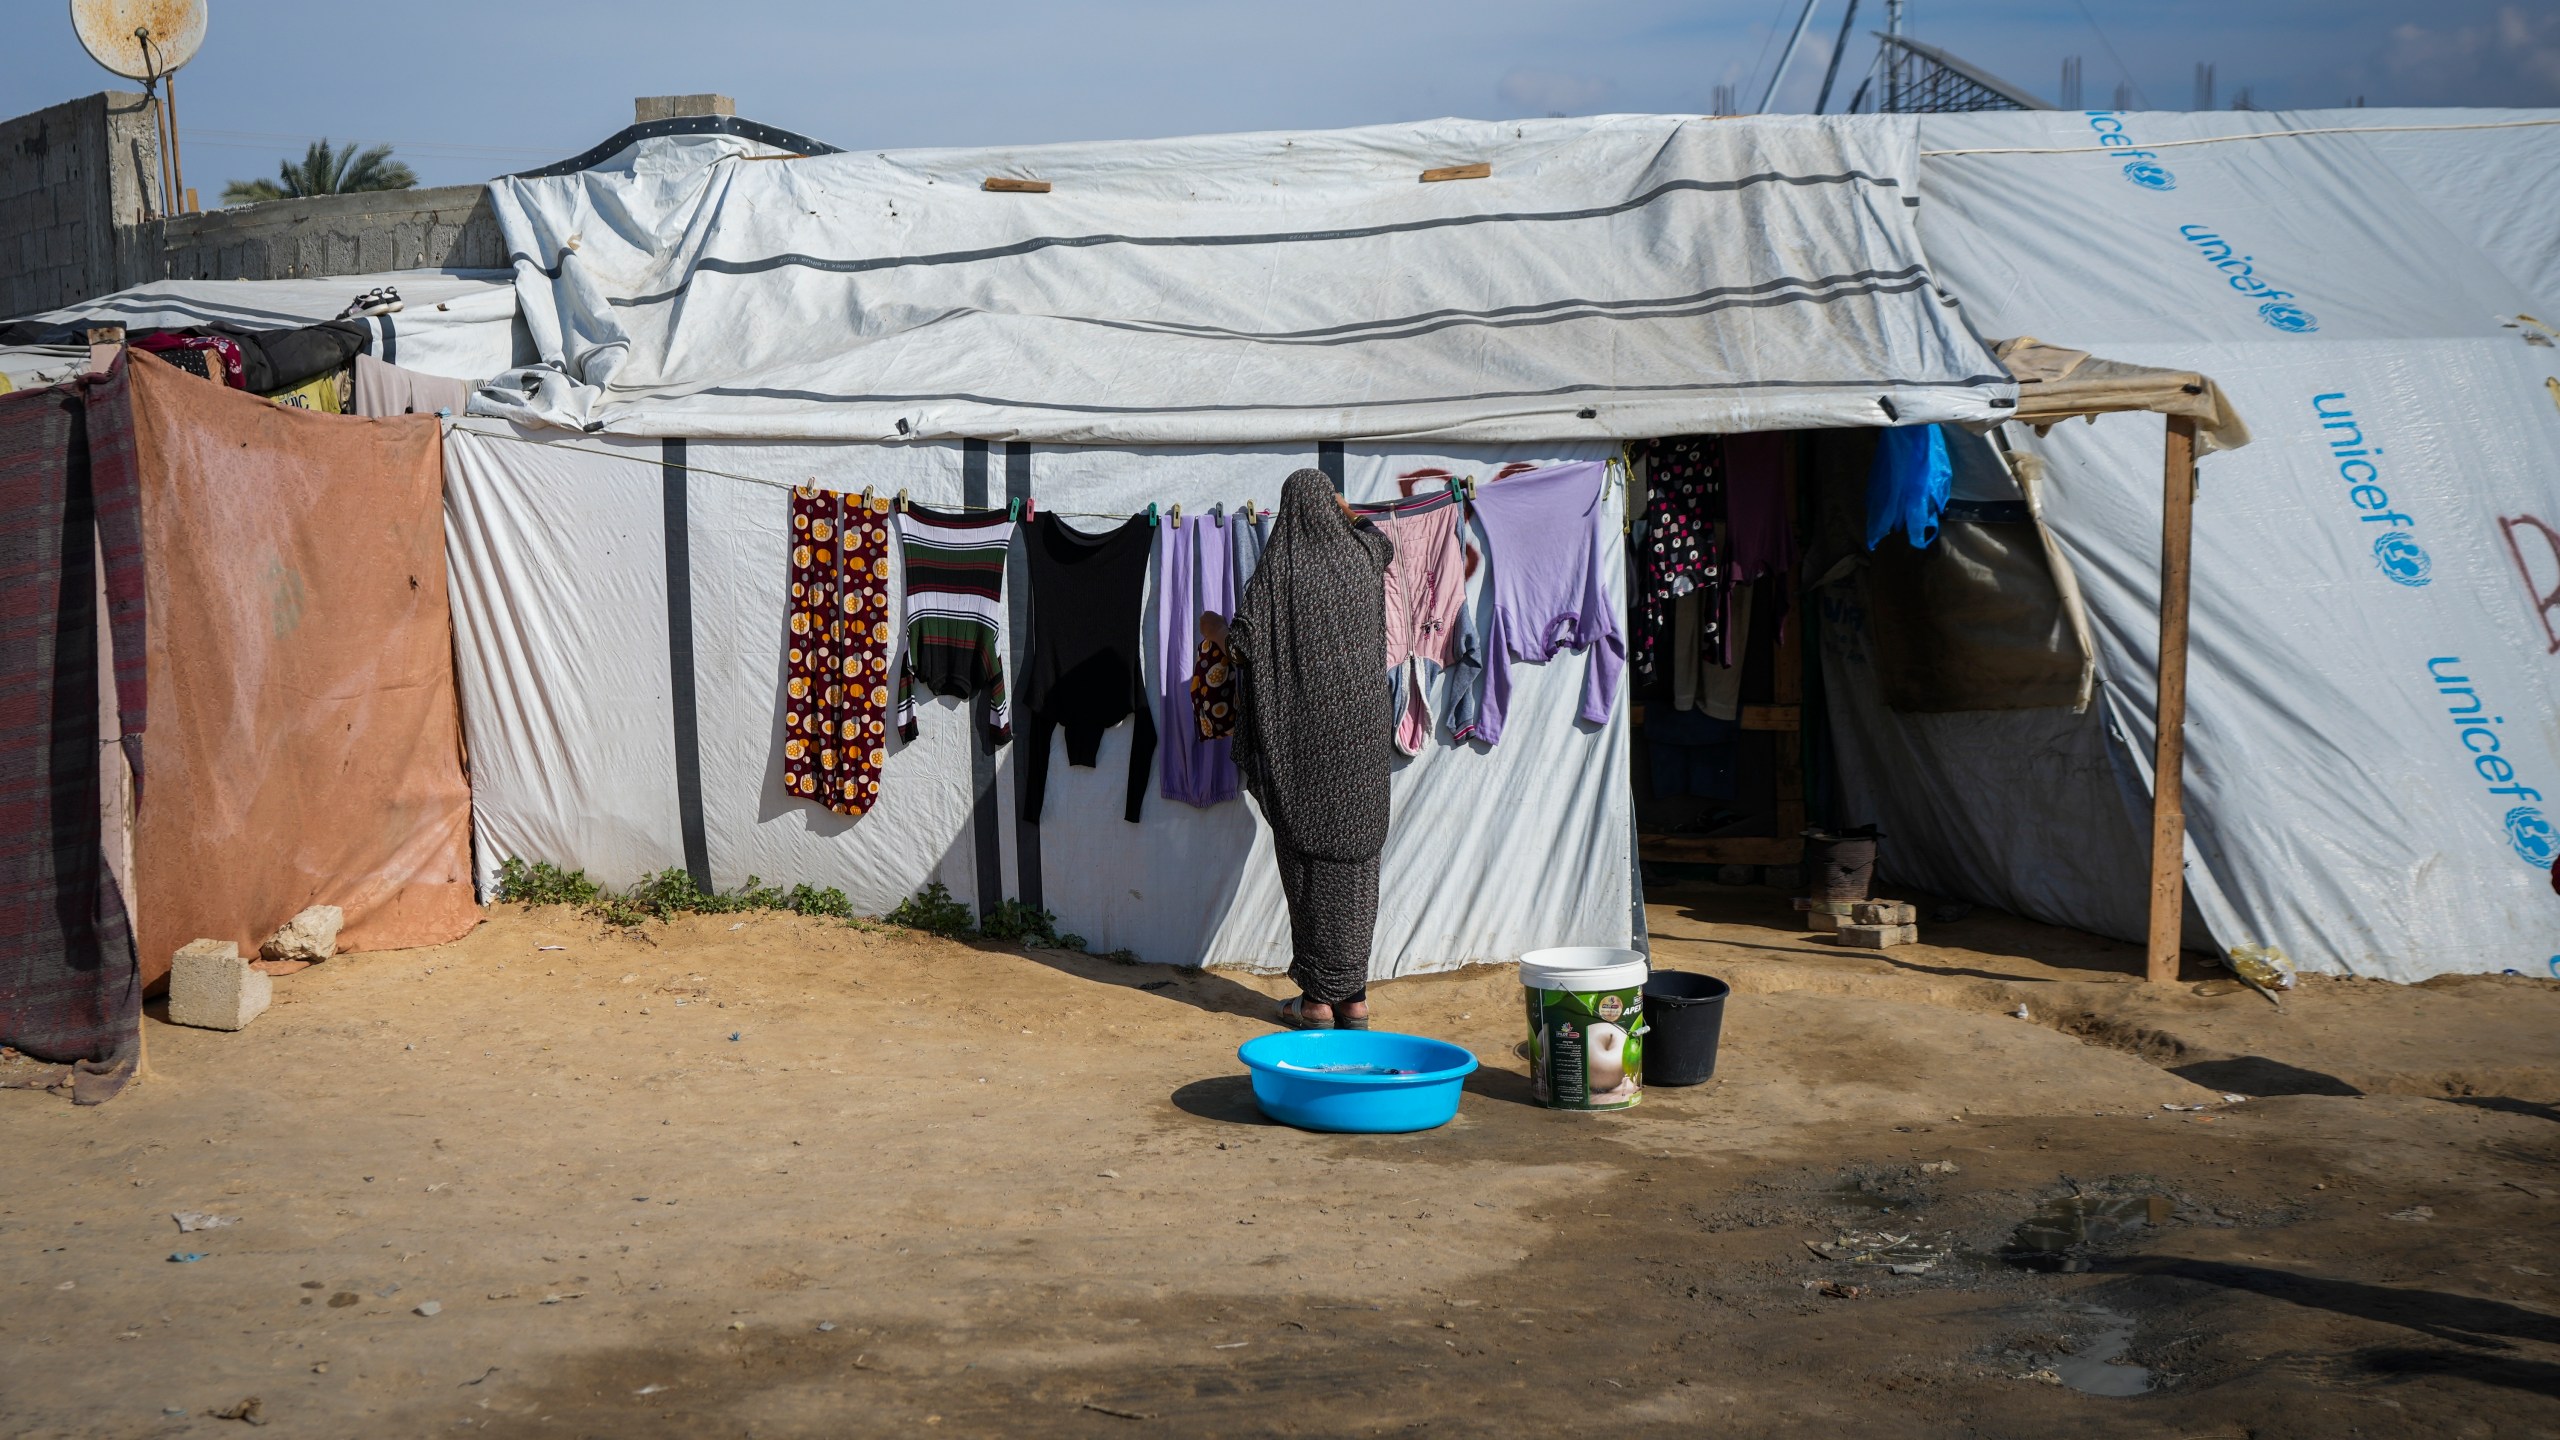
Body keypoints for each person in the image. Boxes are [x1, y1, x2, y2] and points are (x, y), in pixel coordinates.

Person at [1223, 469, 1395, 1029]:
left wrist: (1209, 628)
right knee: (1358, 868)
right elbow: (1383, 541)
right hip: (1363, 746)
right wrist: (1347, 510)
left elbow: (1245, 643)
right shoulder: (1364, 561)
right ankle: (1356, 999)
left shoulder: (1281, 568)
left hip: (1302, 747)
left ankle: (1319, 1002)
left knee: (1308, 865)